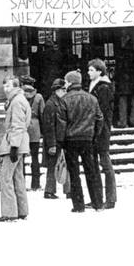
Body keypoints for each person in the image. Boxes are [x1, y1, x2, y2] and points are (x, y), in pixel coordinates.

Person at [56, 70, 104, 213]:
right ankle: (97, 203)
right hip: (87, 139)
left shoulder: (64, 100)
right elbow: (99, 118)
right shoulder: (91, 98)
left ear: (69, 82)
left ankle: (78, 205)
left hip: (71, 140)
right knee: (92, 171)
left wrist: (60, 141)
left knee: (74, 173)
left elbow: (61, 123)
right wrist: (94, 135)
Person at [0, 76, 30, 222]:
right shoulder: (19, 100)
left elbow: (17, 125)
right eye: (4, 85)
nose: (5, 89)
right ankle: (21, 210)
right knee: (17, 177)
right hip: (20, 142)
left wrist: (14, 146)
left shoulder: (16, 102)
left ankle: (9, 212)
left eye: (8, 86)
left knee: (6, 178)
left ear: (16, 87)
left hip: (14, 143)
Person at [87, 59, 117, 209]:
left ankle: (110, 199)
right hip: (95, 129)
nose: (88, 72)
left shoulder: (103, 87)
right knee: (95, 165)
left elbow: (103, 111)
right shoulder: (95, 86)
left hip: (101, 130)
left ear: (99, 71)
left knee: (105, 164)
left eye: (91, 70)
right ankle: (97, 198)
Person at [42, 78, 68, 200]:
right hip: (54, 140)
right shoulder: (51, 104)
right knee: (53, 166)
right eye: (63, 89)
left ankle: (67, 190)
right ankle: (49, 191)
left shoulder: (59, 102)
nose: (65, 91)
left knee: (63, 164)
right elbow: (48, 126)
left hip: (60, 139)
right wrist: (51, 144)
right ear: (57, 90)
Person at [21, 76, 45, 191]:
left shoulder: (19, 95)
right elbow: (42, 113)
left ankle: (21, 183)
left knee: (21, 157)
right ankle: (36, 183)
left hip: (22, 127)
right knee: (35, 157)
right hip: (35, 127)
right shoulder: (38, 96)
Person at [114, 35, 134, 128]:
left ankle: (123, 122)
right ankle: (133, 121)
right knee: (133, 101)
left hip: (123, 81)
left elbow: (118, 70)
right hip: (133, 81)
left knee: (123, 101)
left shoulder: (121, 55)